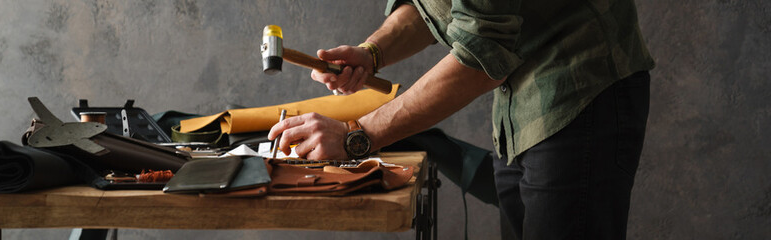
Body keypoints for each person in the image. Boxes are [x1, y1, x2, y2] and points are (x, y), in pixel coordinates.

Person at [267, 0, 654, 239]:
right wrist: (373, 53)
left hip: (582, 92)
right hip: (519, 104)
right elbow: (435, 6)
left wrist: (357, 134)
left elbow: (482, 59)